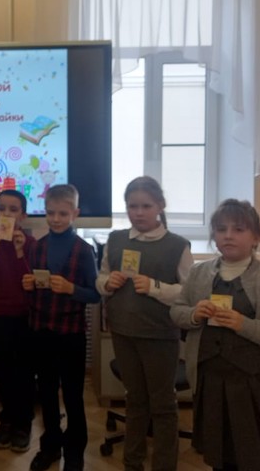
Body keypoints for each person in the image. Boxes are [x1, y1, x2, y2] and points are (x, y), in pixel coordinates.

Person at [170, 199, 260, 471]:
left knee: (252, 456)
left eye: (239, 229)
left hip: (254, 384)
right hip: (210, 380)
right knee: (218, 454)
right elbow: (176, 312)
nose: (228, 235)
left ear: (255, 237)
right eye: (221, 229)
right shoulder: (198, 273)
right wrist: (194, 314)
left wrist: (245, 325)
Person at [95, 176, 193, 471]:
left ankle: (164, 465)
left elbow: (189, 293)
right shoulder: (116, 240)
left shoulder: (177, 245)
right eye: (132, 206)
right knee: (135, 399)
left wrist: (154, 287)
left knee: (162, 404)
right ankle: (132, 461)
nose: (138, 213)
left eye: (146, 206)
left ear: (160, 206)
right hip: (123, 331)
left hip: (159, 335)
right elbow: (100, 278)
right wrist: (107, 283)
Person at [22, 184, 100, 471]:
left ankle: (75, 450)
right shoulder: (37, 246)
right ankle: (51, 445)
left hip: (70, 334)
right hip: (40, 330)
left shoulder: (84, 250)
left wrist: (71, 289)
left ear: (75, 214)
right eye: (50, 213)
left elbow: (95, 294)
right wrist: (28, 284)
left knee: (72, 394)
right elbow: (35, 285)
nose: (55, 219)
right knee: (46, 391)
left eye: (63, 214)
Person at [0, 189, 36, 453]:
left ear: (23, 216)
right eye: (1, 208)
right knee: (3, 369)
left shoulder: (31, 243)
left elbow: (29, 283)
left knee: (24, 370)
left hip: (24, 315)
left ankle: (23, 422)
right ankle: (7, 419)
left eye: (13, 209)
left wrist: (19, 252)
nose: (7, 214)